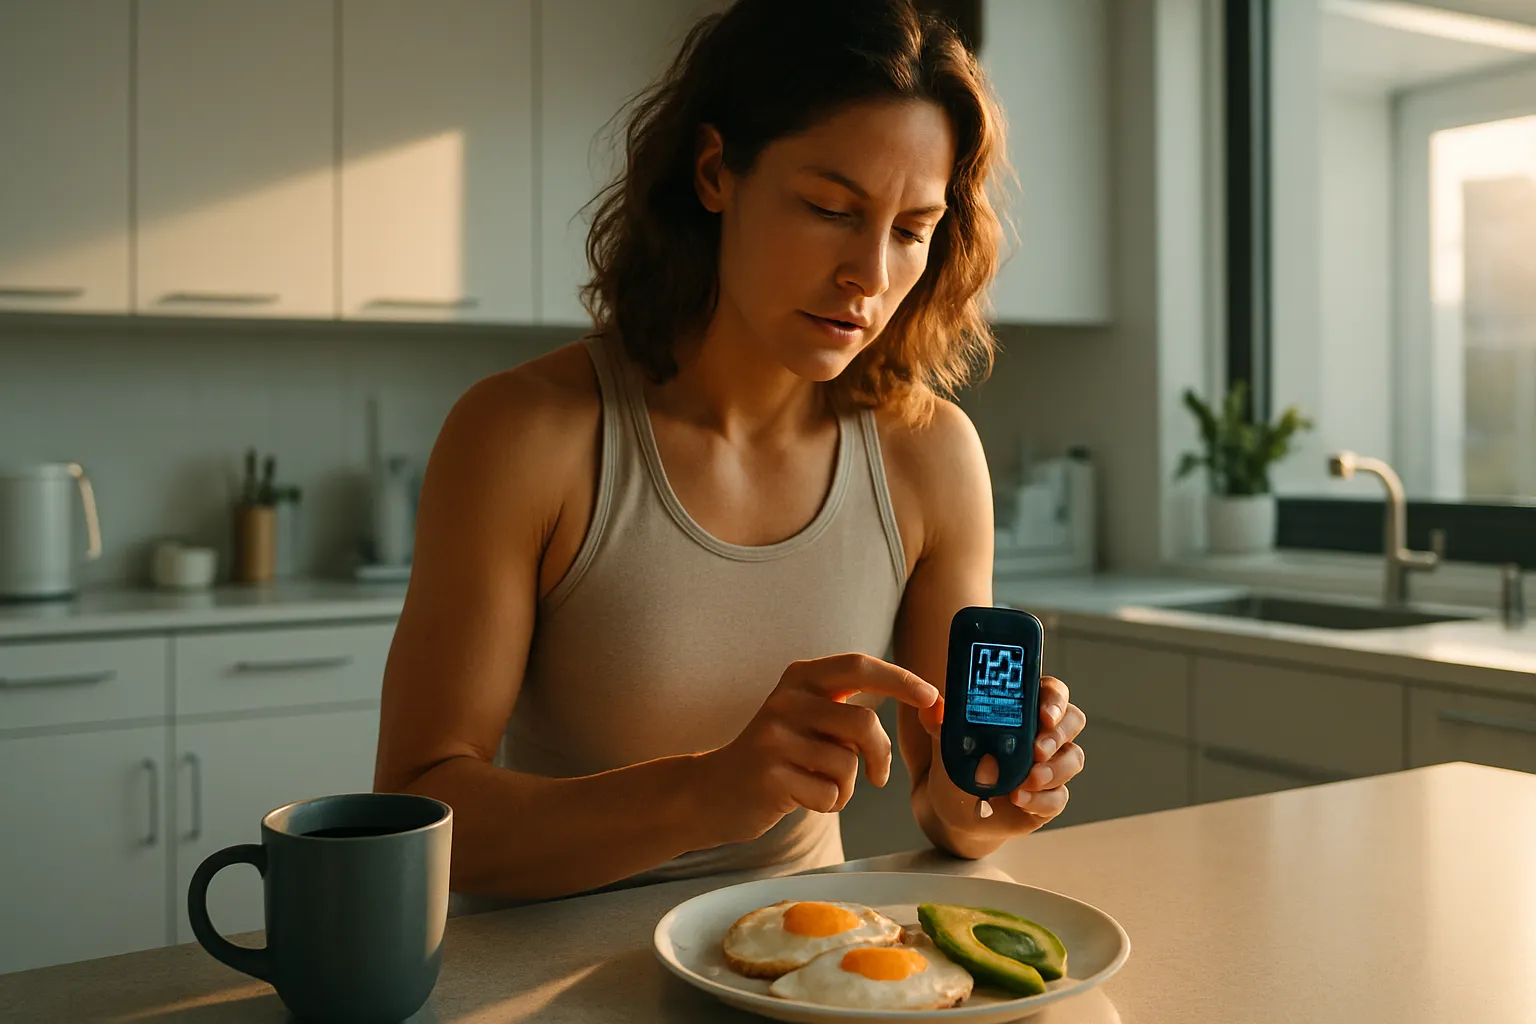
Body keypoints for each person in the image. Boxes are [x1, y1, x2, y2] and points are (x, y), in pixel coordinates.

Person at [374, 0, 1087, 908]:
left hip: (804, 968)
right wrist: (708, 793)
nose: (869, 275)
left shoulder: (930, 455)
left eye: (912, 229)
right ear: (716, 171)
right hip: (538, 972)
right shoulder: (525, 433)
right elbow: (415, 811)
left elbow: (952, 816)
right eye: (831, 208)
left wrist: (1010, 791)